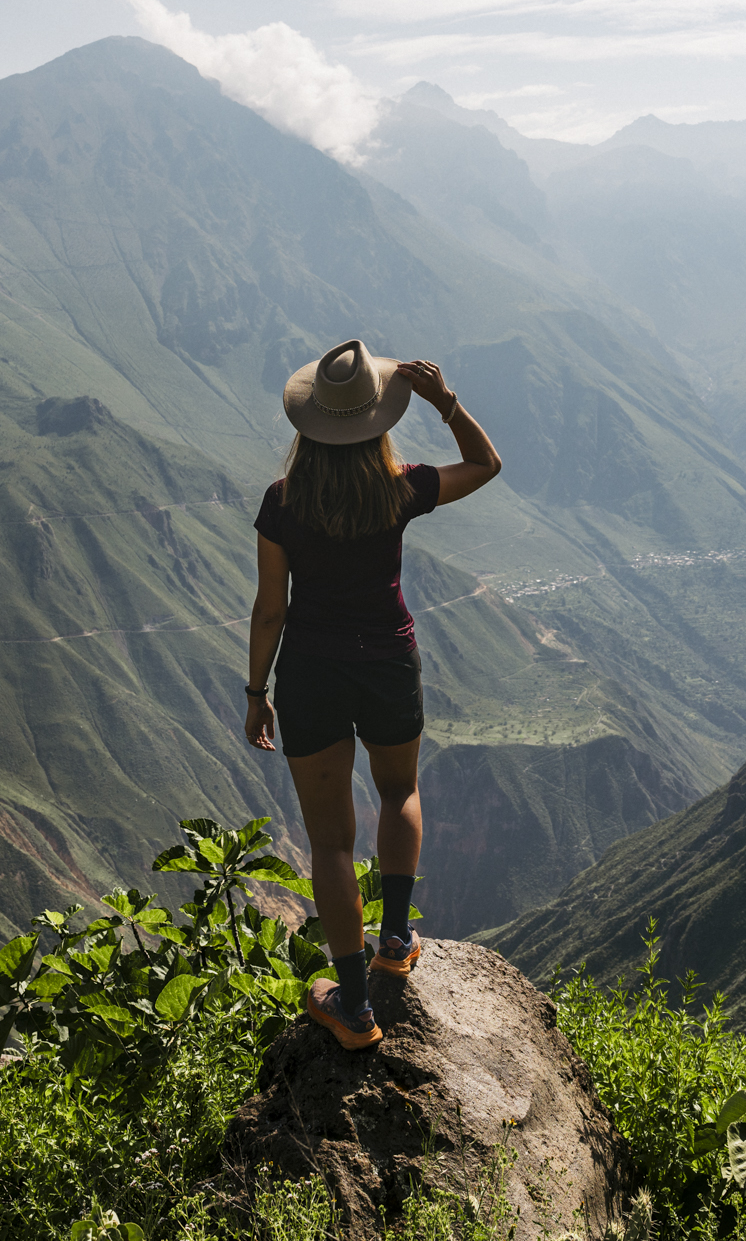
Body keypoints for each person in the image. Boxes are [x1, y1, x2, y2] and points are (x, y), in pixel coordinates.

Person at [243, 338, 502, 1050]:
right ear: (378, 421)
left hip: (310, 674)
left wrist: (256, 690)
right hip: (389, 661)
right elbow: (486, 465)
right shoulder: (401, 488)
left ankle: (354, 1008)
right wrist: (445, 402)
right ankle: (395, 941)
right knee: (398, 794)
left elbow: (271, 609)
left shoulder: (282, 503)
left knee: (330, 843)